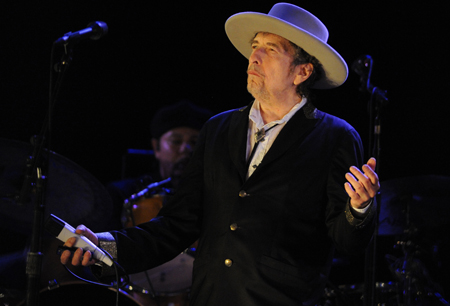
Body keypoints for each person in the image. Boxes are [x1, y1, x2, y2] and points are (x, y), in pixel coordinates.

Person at [61, 3, 380, 305]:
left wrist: (359, 208)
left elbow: (347, 241)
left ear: (302, 72)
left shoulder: (334, 137)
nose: (253, 56)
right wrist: (106, 245)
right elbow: (175, 225)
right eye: (255, 45)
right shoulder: (218, 129)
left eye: (270, 49)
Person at [105, 100, 213, 229]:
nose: (186, 149)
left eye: (195, 142)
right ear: (156, 147)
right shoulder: (122, 193)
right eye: (176, 141)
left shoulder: (215, 195)